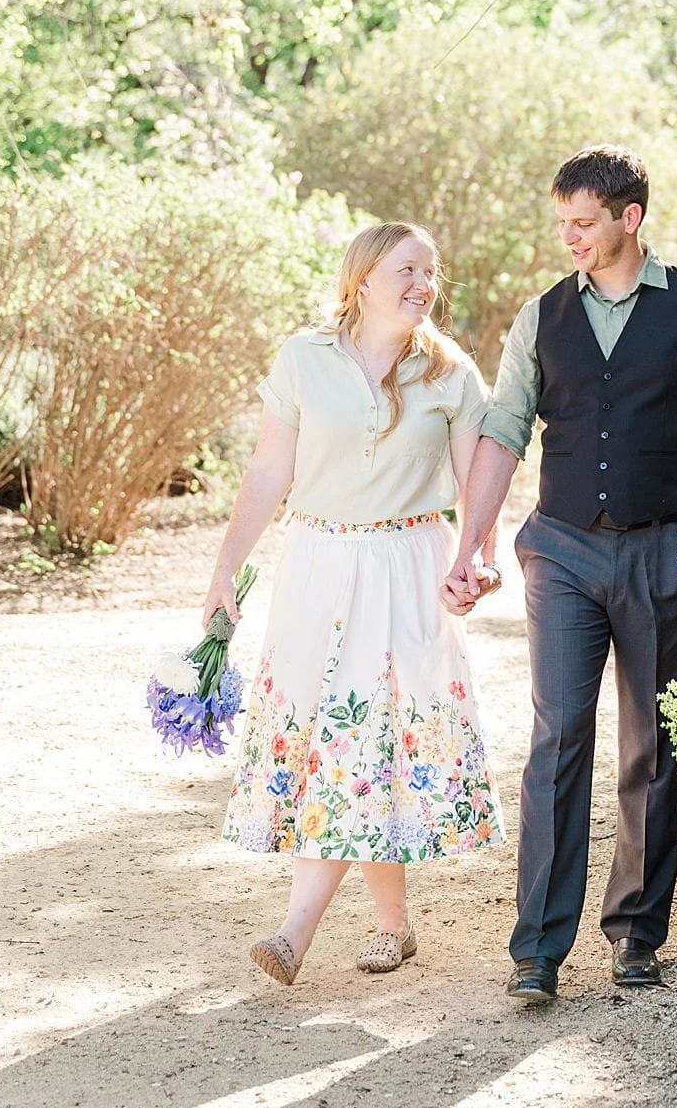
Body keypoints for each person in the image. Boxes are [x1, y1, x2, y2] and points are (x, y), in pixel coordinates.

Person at [444, 145, 677, 1007]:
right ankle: (539, 948)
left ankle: (636, 933)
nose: (570, 238)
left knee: (652, 743)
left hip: (665, 546)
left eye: (583, 222)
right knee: (557, 736)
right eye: (562, 224)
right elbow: (504, 432)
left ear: (630, 218)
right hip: (562, 550)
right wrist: (471, 545)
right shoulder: (540, 317)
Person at [208, 221, 506, 984]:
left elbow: (479, 486)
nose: (422, 284)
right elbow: (270, 471)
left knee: (371, 741)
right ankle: (394, 924)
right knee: (346, 742)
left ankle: (293, 931)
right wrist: (223, 572)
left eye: (431, 272)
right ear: (362, 277)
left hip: (408, 567)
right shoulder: (305, 358)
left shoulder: (450, 371)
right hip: (318, 563)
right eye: (406, 269)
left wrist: (478, 561)